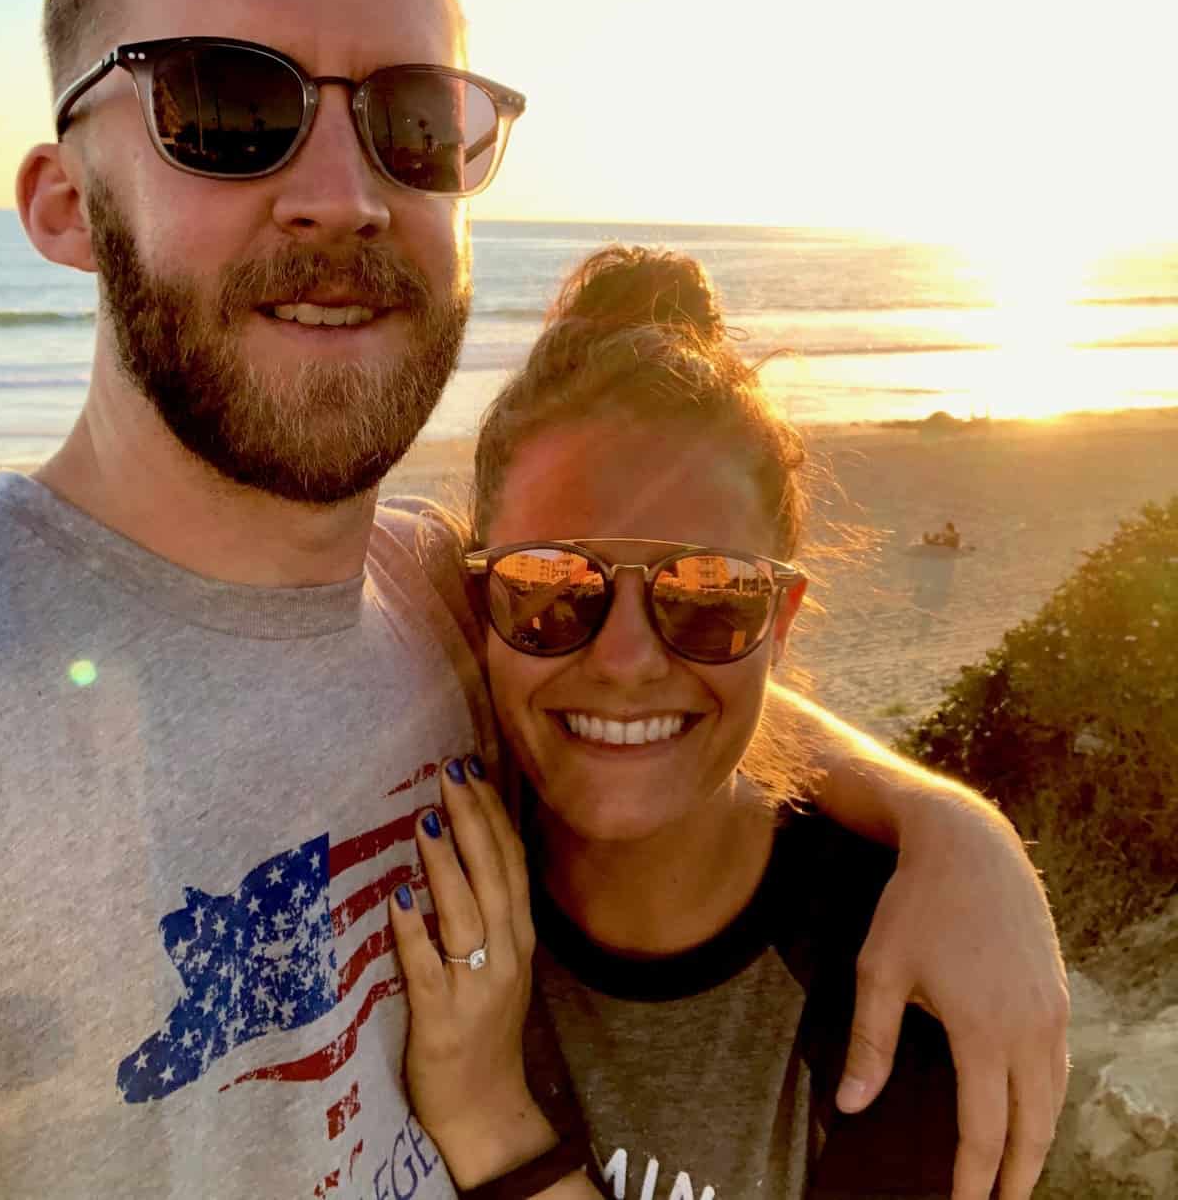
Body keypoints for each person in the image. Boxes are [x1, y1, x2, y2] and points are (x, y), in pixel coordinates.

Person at [0, 0, 1066, 1199]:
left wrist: (953, 824)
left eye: (411, 120)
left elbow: (645, 647)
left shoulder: (432, 589)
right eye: (227, 106)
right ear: (62, 203)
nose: (344, 192)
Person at [389, 248, 1064, 1200]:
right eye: (551, 586)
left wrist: (490, 1122)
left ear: (778, 625)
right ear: (476, 606)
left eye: (710, 596)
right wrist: (945, 814)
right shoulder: (409, 861)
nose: (625, 658)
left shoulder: (900, 986)